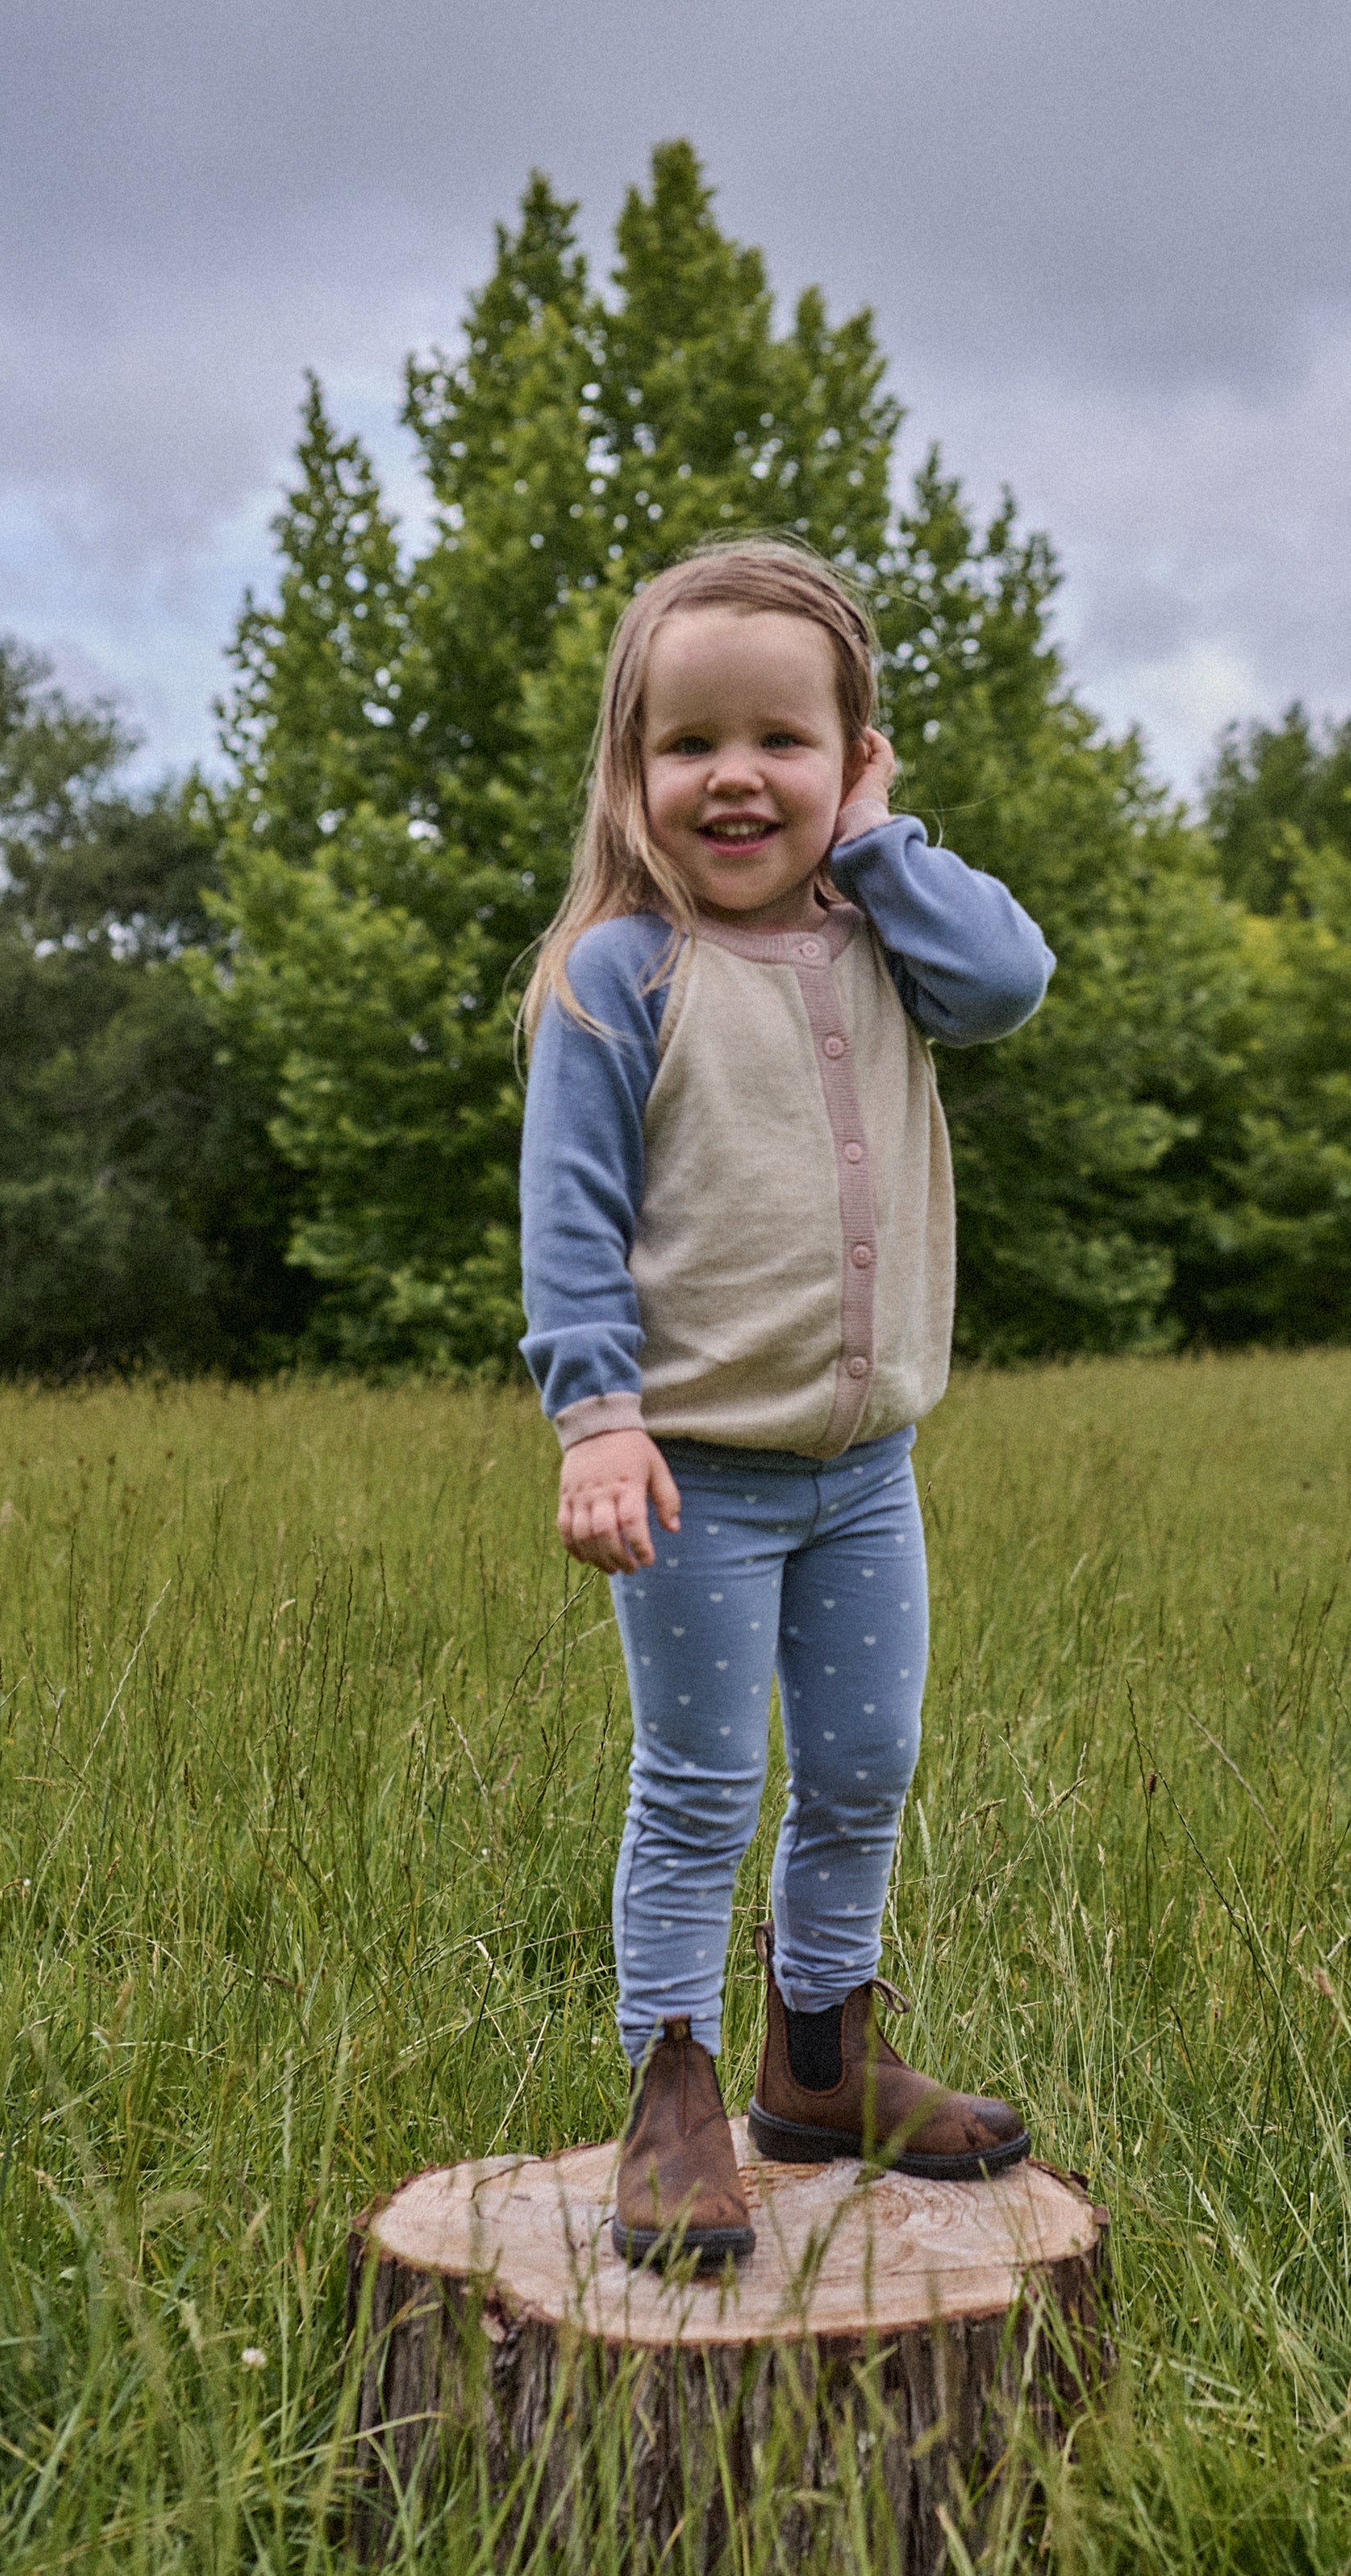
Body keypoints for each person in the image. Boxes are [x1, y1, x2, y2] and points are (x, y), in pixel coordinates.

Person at [518, 537, 1053, 2268]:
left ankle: (819, 2061)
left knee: (864, 1767)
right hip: (694, 1474)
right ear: (634, 773)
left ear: (855, 757)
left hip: (865, 1465)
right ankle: (672, 2087)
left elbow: (1013, 983)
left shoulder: (892, 934)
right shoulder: (622, 972)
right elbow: (572, 1222)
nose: (735, 775)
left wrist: (886, 844)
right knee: (696, 1785)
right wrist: (598, 1416)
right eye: (690, 745)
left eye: (786, 742)